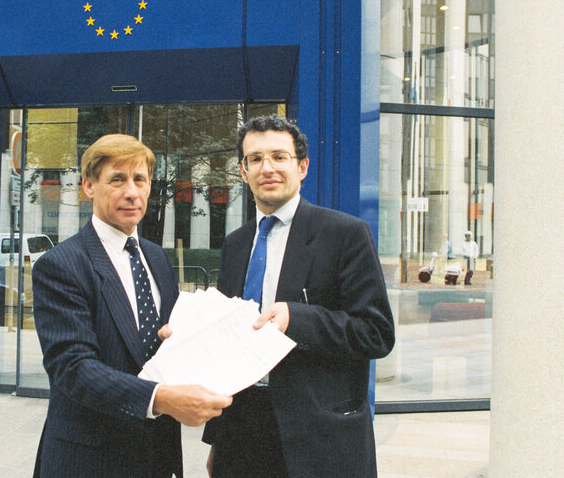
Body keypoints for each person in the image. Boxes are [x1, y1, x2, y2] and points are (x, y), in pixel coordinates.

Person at [202, 115, 395, 477]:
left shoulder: (344, 234)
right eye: (255, 159)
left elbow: (377, 333)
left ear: (302, 166)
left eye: (279, 156)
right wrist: (217, 439)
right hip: (242, 435)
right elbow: (228, 350)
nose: (267, 167)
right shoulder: (236, 244)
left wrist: (298, 319)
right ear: (243, 172)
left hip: (318, 439)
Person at [31, 134, 232, 478]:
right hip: (90, 461)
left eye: (140, 179)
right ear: (89, 186)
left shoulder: (156, 258)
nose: (131, 192)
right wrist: (162, 399)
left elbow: (163, 344)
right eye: (117, 179)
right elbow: (74, 368)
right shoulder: (61, 265)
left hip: (157, 457)